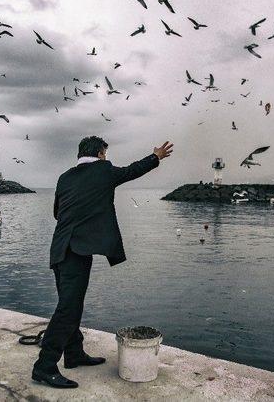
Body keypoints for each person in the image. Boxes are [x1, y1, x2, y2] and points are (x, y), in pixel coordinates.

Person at [32, 136, 174, 388]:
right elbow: (132, 171)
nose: (106, 158)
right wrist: (156, 157)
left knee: (71, 304)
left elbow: (57, 213)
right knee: (68, 309)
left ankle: (74, 354)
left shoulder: (65, 177)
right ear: (100, 154)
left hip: (60, 250)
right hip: (75, 253)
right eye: (105, 154)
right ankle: (44, 366)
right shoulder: (103, 170)